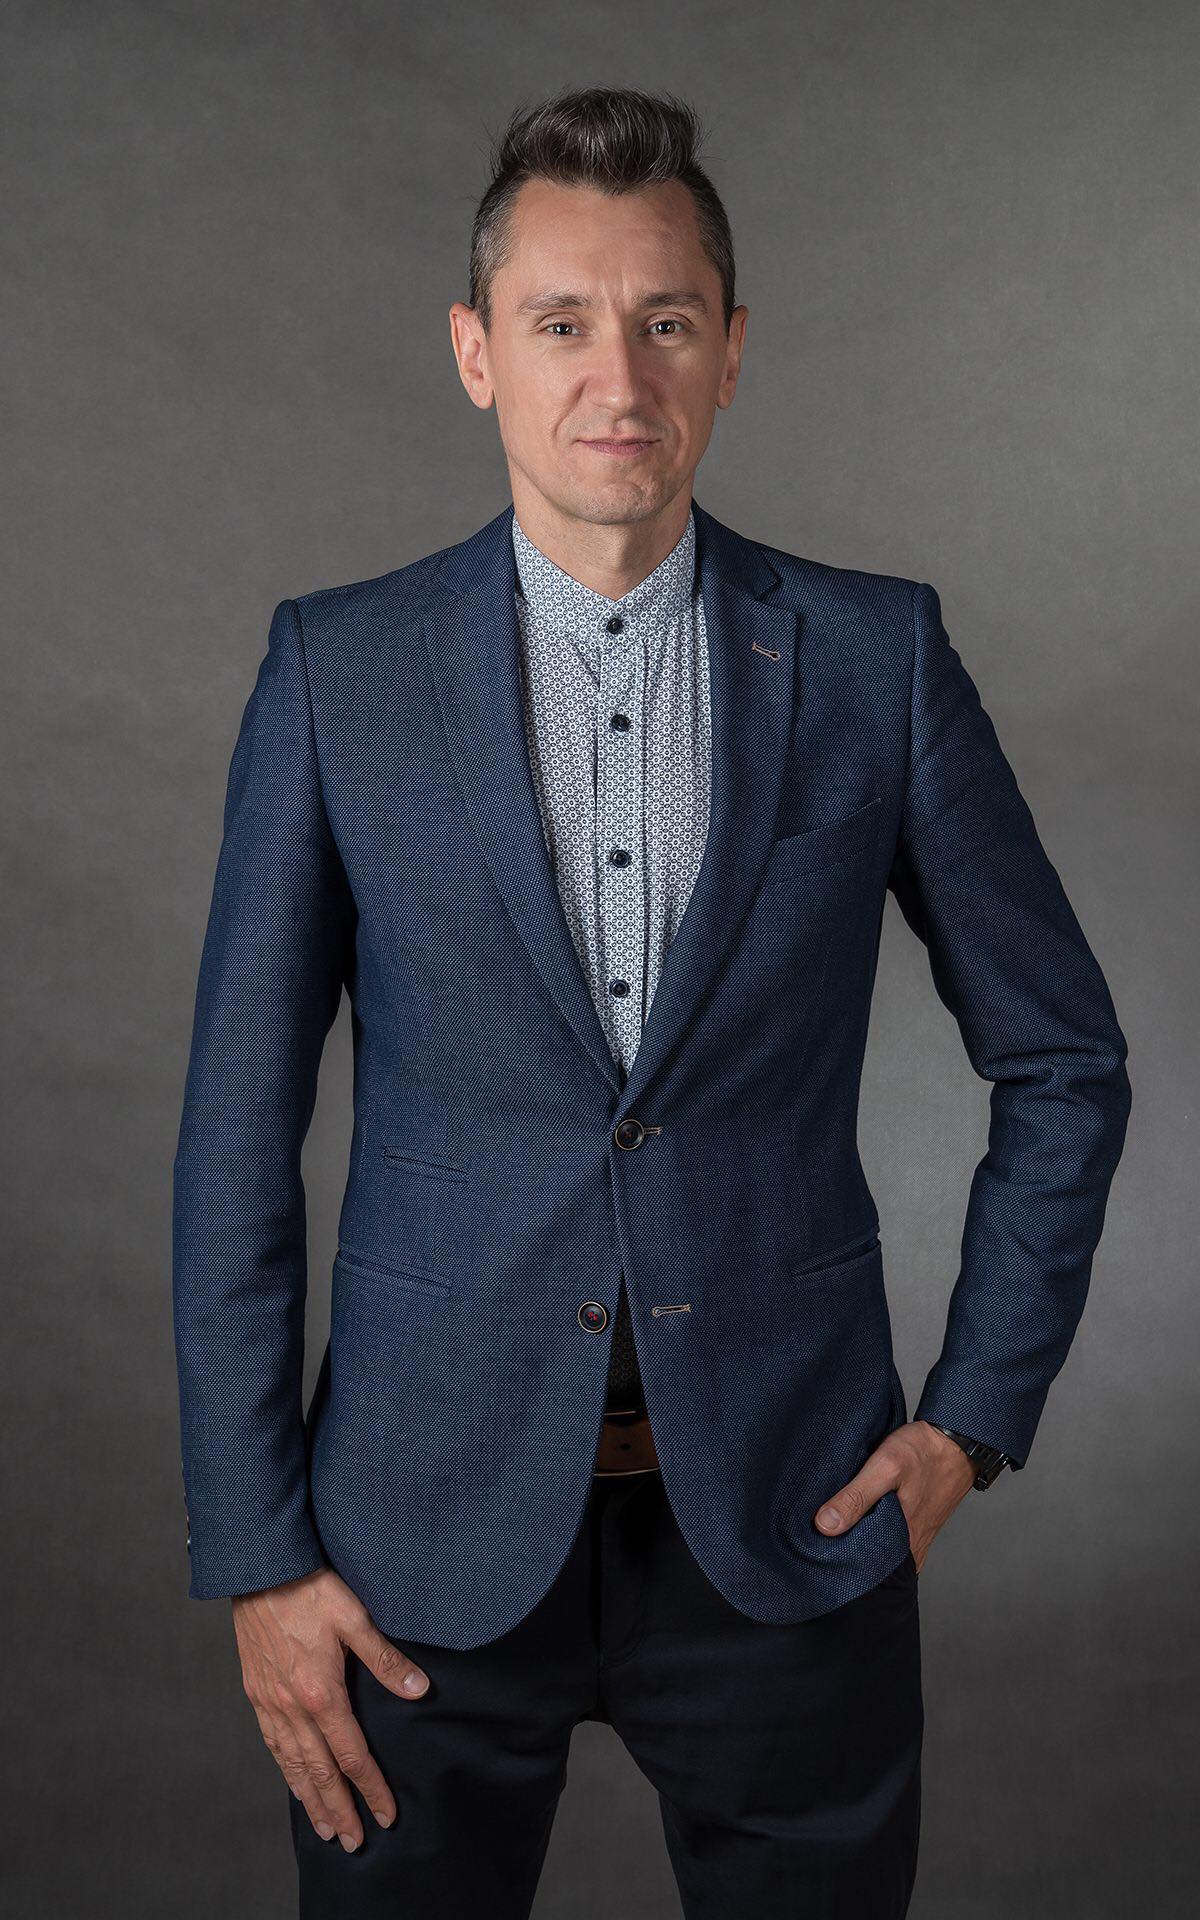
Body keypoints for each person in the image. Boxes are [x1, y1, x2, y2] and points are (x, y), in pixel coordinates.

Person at [172, 85, 1132, 1919]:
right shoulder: (337, 675)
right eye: (561, 322)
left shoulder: (875, 660)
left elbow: (1066, 1060)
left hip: (793, 1519)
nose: (618, 375)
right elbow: (235, 1139)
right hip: (408, 1547)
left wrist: (973, 1418)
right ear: (476, 353)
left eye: (665, 319)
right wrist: (259, 1554)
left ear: (732, 350)